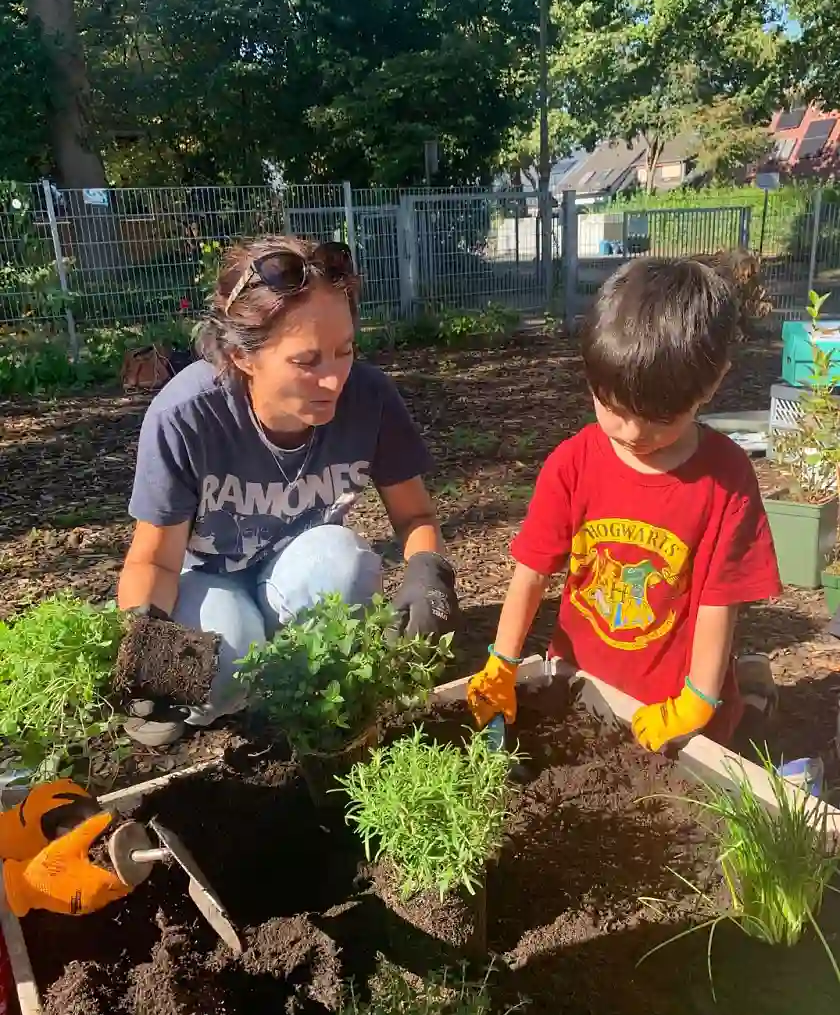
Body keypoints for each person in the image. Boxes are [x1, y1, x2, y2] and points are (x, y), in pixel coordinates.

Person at [118, 236, 458, 745]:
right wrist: (141, 652)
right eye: (307, 361)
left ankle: (298, 692)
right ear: (242, 355)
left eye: (345, 351)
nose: (333, 381)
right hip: (205, 580)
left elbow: (415, 520)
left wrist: (428, 572)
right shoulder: (186, 417)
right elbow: (156, 562)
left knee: (347, 563)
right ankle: (251, 691)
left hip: (297, 569)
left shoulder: (370, 400)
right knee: (223, 664)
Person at [467, 257, 781, 752]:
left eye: (659, 418)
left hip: (674, 706)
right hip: (581, 686)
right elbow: (531, 572)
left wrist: (698, 700)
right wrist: (501, 661)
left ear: (713, 381)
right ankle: (753, 683)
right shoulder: (572, 464)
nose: (634, 434)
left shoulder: (727, 479)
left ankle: (751, 696)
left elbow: (720, 603)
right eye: (612, 408)